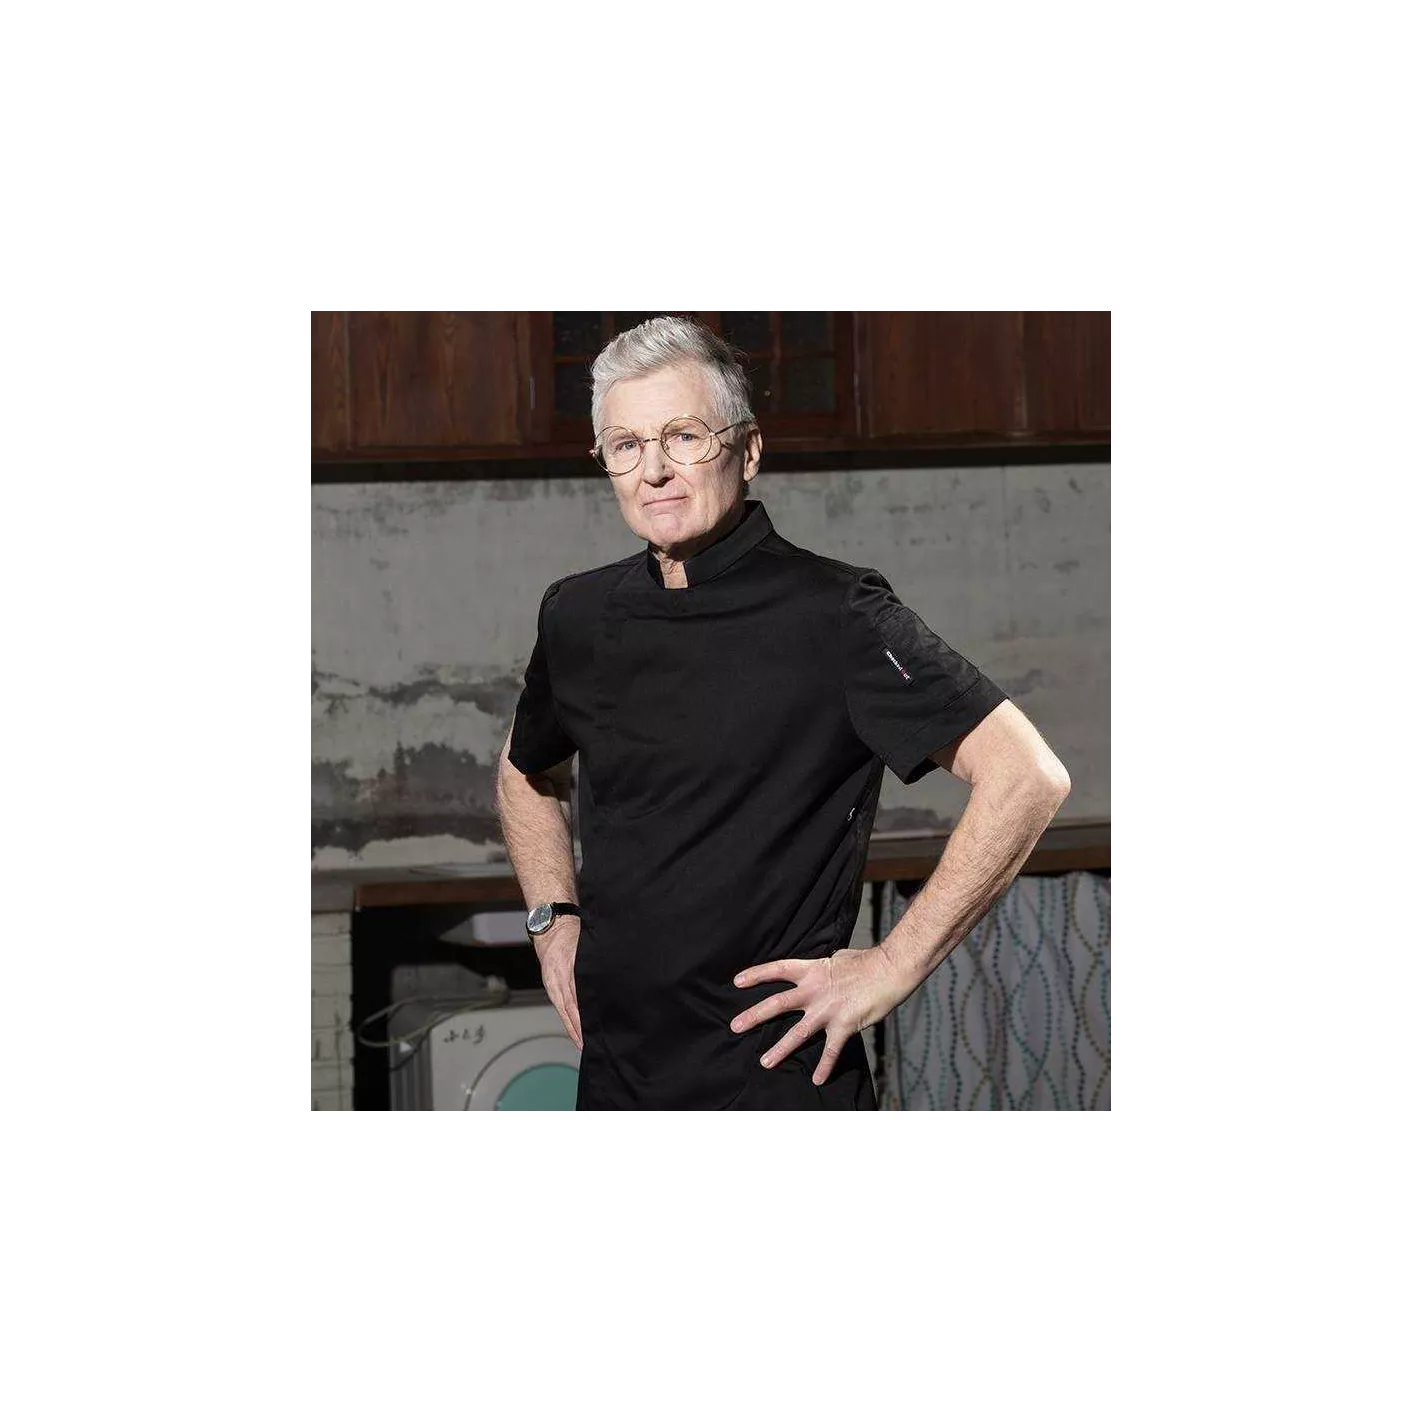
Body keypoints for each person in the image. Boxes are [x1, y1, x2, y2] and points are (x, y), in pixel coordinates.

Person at [496, 315, 1071, 1111]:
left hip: (774, 1076)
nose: (654, 470)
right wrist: (554, 920)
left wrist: (894, 964)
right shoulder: (578, 614)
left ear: (749, 449)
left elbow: (1026, 776)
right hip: (617, 1074)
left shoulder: (837, 613)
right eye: (626, 445)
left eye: (684, 436)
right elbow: (525, 770)